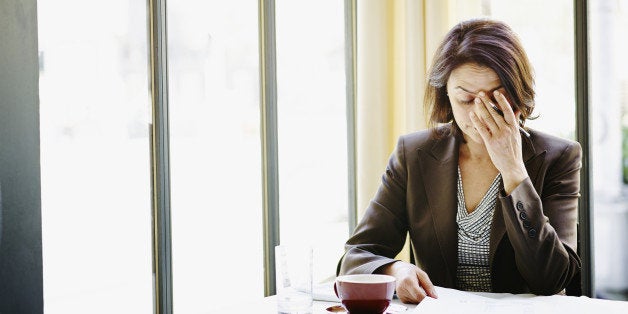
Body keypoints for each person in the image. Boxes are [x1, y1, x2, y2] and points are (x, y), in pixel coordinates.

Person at [337, 18, 582, 304]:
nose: (480, 113)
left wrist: (513, 169)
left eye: (496, 98)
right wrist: (395, 268)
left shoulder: (559, 156)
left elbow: (551, 279)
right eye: (466, 99)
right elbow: (354, 258)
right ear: (446, 97)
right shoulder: (413, 154)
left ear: (517, 96)